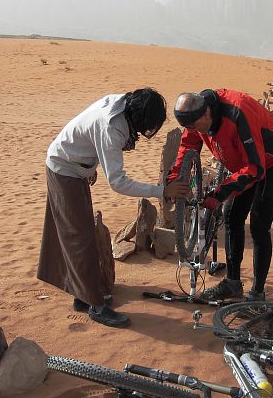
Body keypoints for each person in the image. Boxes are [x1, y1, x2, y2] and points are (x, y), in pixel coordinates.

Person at [37, 88, 190, 328]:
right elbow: (118, 183)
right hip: (64, 169)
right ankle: (96, 306)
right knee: (81, 239)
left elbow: (89, 136)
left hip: (75, 168)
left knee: (78, 233)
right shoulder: (112, 128)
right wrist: (162, 191)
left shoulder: (119, 104)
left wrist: (90, 166)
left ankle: (84, 294)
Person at [167, 88, 273, 302]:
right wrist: (175, 177)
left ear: (207, 114)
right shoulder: (196, 115)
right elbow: (189, 144)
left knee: (259, 225)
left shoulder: (237, 114)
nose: (193, 131)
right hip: (243, 164)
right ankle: (233, 284)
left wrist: (219, 194)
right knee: (232, 217)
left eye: (195, 126)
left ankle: (257, 294)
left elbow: (255, 168)